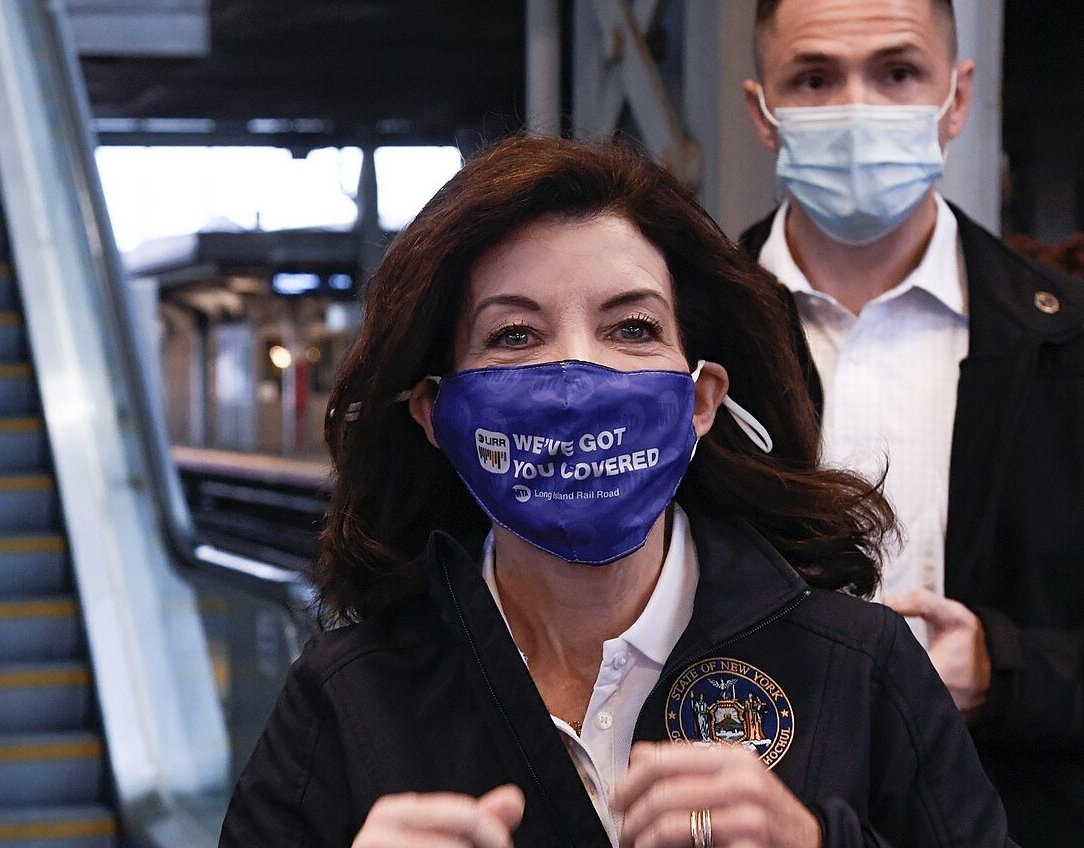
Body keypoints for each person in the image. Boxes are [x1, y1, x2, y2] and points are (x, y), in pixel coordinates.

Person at [218, 135, 1016, 848]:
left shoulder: (858, 666)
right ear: (435, 412)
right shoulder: (349, 697)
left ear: (702, 399)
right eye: (514, 334)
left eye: (632, 328)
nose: (578, 377)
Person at [739, 1, 1084, 846]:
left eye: (898, 72)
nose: (859, 109)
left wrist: (1005, 670)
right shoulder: (678, 344)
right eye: (815, 79)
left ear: (957, 98)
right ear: (764, 113)